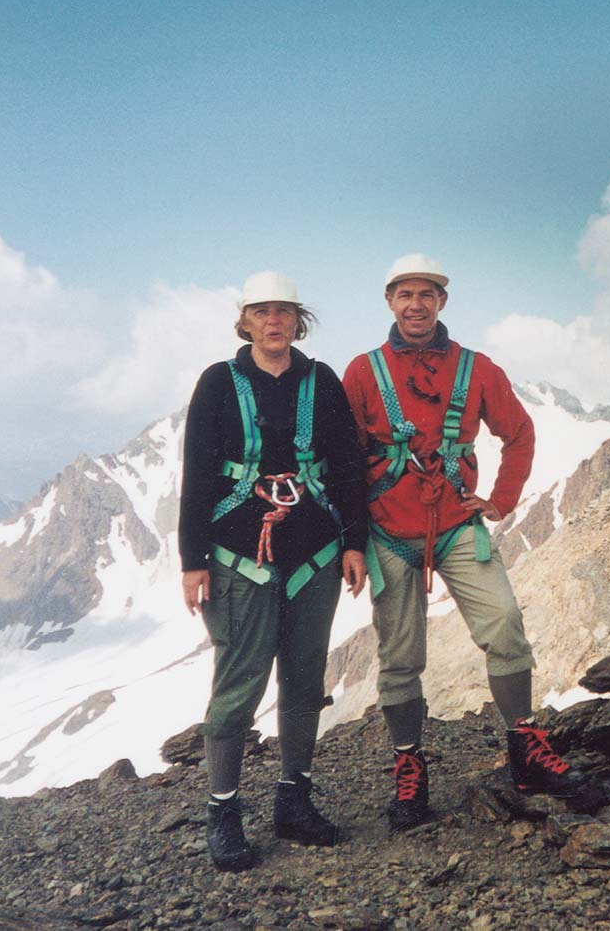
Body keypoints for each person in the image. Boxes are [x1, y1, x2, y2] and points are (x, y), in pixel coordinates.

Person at [341, 253, 582, 831]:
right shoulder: (362, 372)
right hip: (388, 533)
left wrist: (501, 499)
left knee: (502, 622)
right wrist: (350, 537)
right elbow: (341, 458)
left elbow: (518, 432)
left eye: (426, 294)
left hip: (455, 524)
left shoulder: (477, 369)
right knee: (400, 656)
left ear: (442, 302)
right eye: (405, 295)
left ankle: (525, 747)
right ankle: (409, 766)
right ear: (390, 303)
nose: (416, 305)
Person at [179, 271, 368, 870]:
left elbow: (346, 466)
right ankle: (223, 811)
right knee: (238, 684)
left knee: (305, 681)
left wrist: (353, 543)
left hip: (313, 555)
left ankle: (294, 800)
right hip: (240, 557)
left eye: (284, 310)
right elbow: (199, 472)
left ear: (297, 319)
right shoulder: (218, 383)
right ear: (245, 321)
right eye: (262, 311)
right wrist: (192, 560)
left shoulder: (322, 381)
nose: (274, 320)